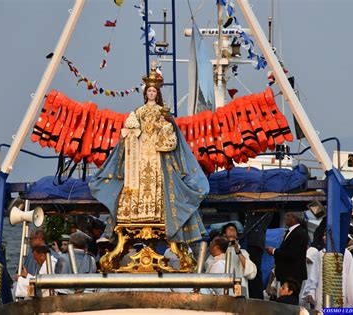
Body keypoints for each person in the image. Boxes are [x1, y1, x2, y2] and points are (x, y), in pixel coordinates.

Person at [89, 65, 209, 243]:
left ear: (157, 93)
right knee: (132, 186)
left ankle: (158, 214)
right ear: (146, 92)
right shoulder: (138, 112)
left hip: (157, 157)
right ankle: (132, 216)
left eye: (154, 91)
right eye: (149, 90)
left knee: (161, 185)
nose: (151, 93)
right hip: (140, 156)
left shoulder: (163, 113)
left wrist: (166, 127)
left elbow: (171, 137)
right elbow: (129, 134)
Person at [303, 231, 353, 312]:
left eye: (326, 235)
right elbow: (314, 276)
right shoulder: (320, 254)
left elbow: (351, 279)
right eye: (323, 235)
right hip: (322, 295)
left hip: (340, 296)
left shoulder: (346, 255)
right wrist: (311, 292)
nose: (323, 237)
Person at [265, 212, 308, 286]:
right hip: (287, 273)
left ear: (295, 218)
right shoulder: (292, 232)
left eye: (288, 215)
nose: (285, 217)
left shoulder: (299, 233)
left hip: (292, 274)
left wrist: (273, 251)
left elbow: (291, 254)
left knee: (290, 297)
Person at [243, 212, 273, 299]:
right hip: (251, 240)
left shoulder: (263, 207)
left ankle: (256, 296)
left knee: (254, 269)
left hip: (255, 241)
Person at [221, 223, 257, 297]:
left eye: (233, 229)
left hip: (238, 288)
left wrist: (237, 251)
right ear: (224, 235)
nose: (231, 230)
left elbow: (251, 273)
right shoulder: (220, 251)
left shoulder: (243, 252)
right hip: (222, 289)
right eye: (229, 229)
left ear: (237, 235)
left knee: (239, 305)